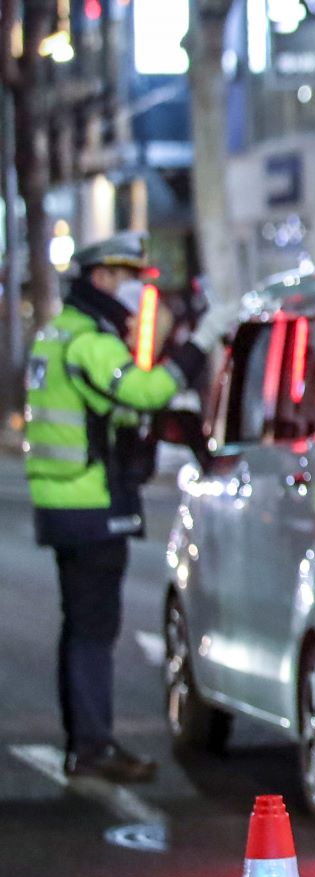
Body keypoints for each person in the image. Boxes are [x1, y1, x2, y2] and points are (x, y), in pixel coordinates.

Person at [23, 232, 230, 785]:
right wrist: (202, 343)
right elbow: (142, 391)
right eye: (129, 280)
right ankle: (92, 747)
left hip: (61, 501)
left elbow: (103, 410)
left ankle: (83, 743)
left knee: (79, 627)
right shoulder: (91, 340)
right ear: (101, 279)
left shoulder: (56, 335)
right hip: (90, 504)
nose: (138, 292)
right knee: (94, 630)